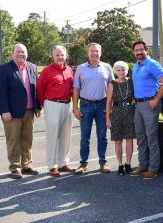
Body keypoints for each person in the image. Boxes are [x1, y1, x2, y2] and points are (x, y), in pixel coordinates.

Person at [0, 43, 41, 179]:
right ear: (12, 54)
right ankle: (15, 167)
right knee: (13, 140)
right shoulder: (5, 69)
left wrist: (38, 106)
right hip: (12, 113)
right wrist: (5, 110)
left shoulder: (32, 67)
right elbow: (1, 91)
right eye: (18, 52)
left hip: (29, 111)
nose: (21, 54)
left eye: (23, 52)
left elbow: (36, 88)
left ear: (27, 54)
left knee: (27, 139)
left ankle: (26, 165)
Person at [130, 40, 163, 180]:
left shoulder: (152, 64)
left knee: (151, 138)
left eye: (141, 49)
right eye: (136, 50)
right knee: (140, 137)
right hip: (139, 105)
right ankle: (143, 165)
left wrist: (156, 100)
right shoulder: (136, 65)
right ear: (134, 52)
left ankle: (153, 168)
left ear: (146, 50)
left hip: (150, 104)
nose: (139, 52)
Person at [72, 42, 114, 174]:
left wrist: (110, 107)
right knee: (85, 136)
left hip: (102, 105)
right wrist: (75, 108)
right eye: (92, 51)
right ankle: (83, 164)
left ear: (100, 53)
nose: (94, 53)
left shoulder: (107, 67)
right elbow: (76, 89)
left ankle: (103, 163)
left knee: (102, 136)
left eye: (96, 51)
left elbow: (111, 88)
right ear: (88, 53)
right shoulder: (80, 68)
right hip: (85, 105)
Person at [37, 45, 75, 176]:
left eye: (62, 55)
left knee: (66, 135)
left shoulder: (69, 70)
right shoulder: (47, 71)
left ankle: (63, 163)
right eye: (57, 55)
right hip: (52, 104)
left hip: (67, 105)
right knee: (52, 136)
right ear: (53, 56)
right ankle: (52, 165)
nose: (60, 57)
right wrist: (45, 105)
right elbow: (40, 89)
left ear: (66, 56)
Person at [105, 61, 135, 175]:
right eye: (118, 70)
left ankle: (128, 164)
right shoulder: (112, 84)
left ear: (127, 70)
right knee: (118, 141)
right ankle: (120, 165)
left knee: (129, 140)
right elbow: (108, 103)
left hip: (130, 112)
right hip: (116, 113)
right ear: (115, 71)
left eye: (123, 69)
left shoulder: (131, 82)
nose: (121, 72)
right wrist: (107, 118)